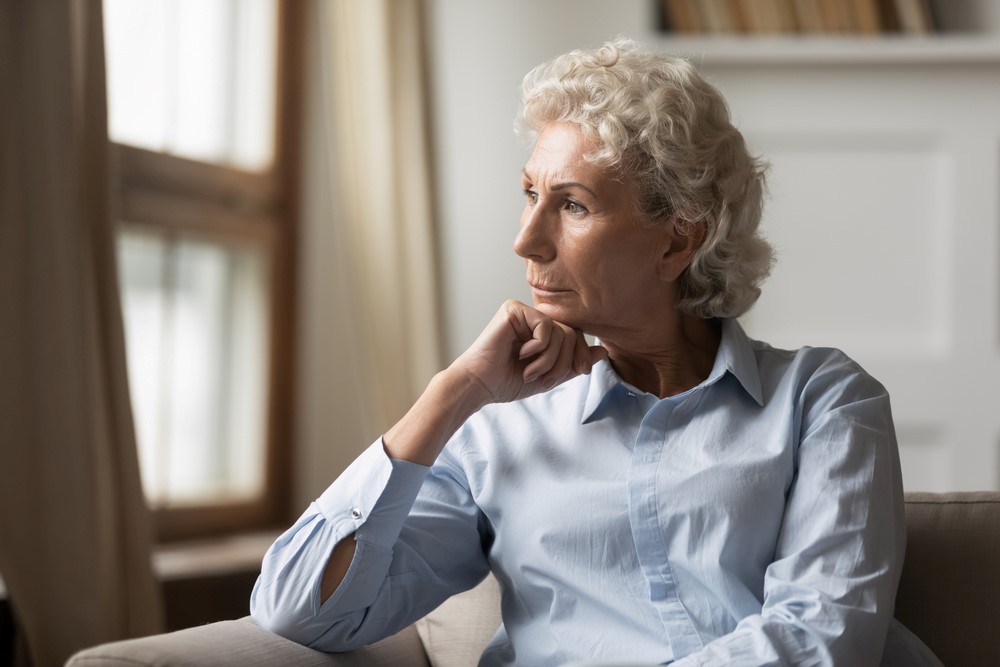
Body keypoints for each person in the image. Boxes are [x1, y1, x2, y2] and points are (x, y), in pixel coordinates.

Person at [251, 38, 941, 666]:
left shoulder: (823, 399)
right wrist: (452, 392)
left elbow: (821, 639)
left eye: (572, 205)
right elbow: (302, 607)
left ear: (677, 240)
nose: (526, 239)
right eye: (529, 195)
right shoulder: (495, 427)